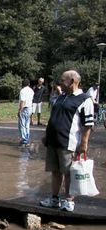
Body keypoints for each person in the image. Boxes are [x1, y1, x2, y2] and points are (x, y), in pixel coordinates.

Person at [40, 70, 94, 212]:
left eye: (63, 80)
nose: (60, 83)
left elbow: (88, 125)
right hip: (53, 141)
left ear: (72, 82)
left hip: (68, 143)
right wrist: (47, 136)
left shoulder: (84, 99)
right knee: (55, 171)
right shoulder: (61, 96)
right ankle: (54, 199)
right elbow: (54, 117)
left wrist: (84, 143)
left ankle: (69, 201)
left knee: (68, 173)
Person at [18, 79, 34, 146]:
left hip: (24, 108)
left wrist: (19, 110)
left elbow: (23, 101)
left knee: (22, 125)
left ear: (22, 84)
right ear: (29, 84)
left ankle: (24, 140)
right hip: (30, 108)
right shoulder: (31, 90)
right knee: (27, 125)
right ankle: (27, 139)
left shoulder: (22, 91)